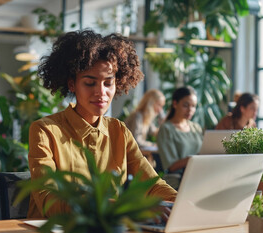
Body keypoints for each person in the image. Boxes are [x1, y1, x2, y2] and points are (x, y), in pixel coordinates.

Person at [27, 30, 177, 219]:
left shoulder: (119, 131)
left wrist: (181, 202)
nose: (101, 92)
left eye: (108, 83)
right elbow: (50, 200)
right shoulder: (45, 131)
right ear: (72, 84)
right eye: (90, 83)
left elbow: (152, 184)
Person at [156, 87, 203, 188]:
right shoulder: (166, 129)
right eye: (186, 105)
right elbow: (171, 166)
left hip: (198, 177)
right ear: (175, 104)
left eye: (193, 106)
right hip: (177, 181)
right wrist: (194, 159)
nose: (190, 110)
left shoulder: (196, 127)